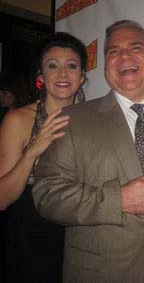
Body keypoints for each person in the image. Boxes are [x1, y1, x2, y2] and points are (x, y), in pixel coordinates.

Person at [32, 20, 144, 283]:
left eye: (136, 48)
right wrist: (118, 200)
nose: (124, 56)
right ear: (105, 67)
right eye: (113, 51)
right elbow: (47, 195)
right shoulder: (72, 119)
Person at [0, 32, 87, 282]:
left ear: (81, 77)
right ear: (41, 76)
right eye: (52, 66)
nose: (62, 74)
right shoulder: (18, 120)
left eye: (71, 66)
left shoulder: (92, 121)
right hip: (31, 239)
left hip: (80, 237)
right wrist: (33, 151)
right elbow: (2, 199)